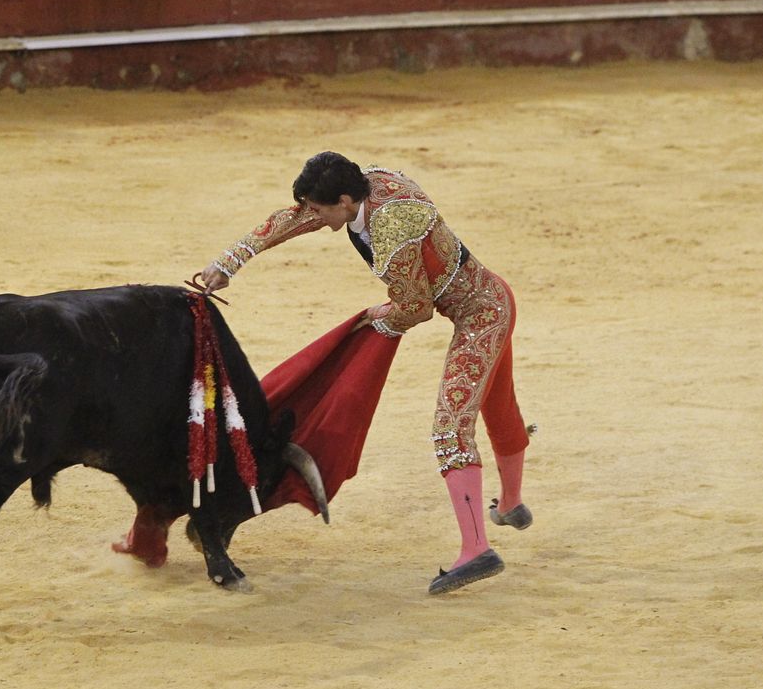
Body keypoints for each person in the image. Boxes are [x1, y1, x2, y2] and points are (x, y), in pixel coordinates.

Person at [197, 152, 534, 595]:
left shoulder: (392, 232)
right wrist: (229, 262)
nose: (313, 217)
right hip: (488, 296)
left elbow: (416, 309)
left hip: (483, 314)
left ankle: (477, 549)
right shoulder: (365, 183)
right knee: (497, 404)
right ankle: (510, 506)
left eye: (320, 210)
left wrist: (380, 313)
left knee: (451, 427)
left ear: (344, 200)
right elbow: (295, 217)